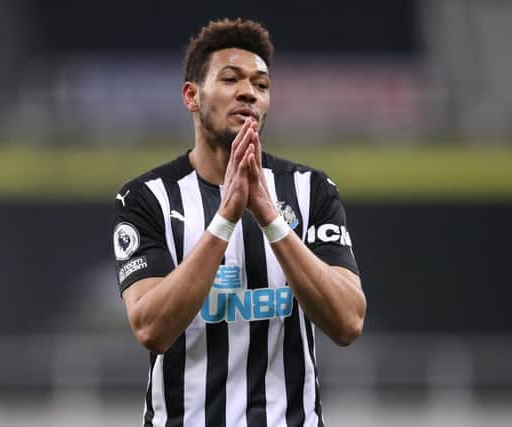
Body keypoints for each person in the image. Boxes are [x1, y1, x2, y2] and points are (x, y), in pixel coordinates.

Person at [112, 18, 366, 427]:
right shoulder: (146, 199)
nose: (248, 92)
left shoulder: (310, 190)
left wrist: (270, 217)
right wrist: (226, 218)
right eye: (231, 79)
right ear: (192, 96)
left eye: (261, 85)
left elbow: (348, 321)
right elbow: (151, 328)